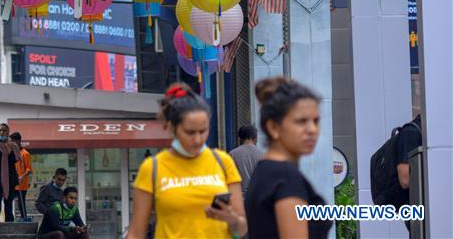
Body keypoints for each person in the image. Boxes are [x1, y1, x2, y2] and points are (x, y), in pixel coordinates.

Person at [127, 82, 247, 239]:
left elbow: (241, 228)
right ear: (171, 127)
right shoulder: (152, 168)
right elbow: (136, 233)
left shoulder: (223, 162)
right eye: (190, 132)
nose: (197, 139)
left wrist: (231, 219)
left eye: (203, 131)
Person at [244, 77, 332, 239]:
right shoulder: (285, 176)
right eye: (301, 121)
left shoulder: (266, 169)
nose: (312, 129)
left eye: (316, 121)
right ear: (273, 127)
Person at [0, 122, 21, 222]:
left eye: (4, 130)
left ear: (8, 132)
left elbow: (16, 160)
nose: (1, 132)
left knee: (8, 202)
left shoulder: (13, 146)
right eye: (0, 130)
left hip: (10, 178)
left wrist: (11, 150)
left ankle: (9, 222)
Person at [229, 124, 264, 196]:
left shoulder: (232, 154)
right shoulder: (262, 155)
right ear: (255, 138)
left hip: (239, 197)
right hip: (257, 196)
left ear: (239, 138)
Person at [11, 132, 33, 222]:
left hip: (21, 184)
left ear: (18, 141)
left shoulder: (25, 154)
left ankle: (24, 218)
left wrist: (22, 177)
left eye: (13, 141)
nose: (11, 143)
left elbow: (29, 169)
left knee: (21, 202)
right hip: (14, 183)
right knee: (8, 199)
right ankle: (13, 218)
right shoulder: (13, 153)